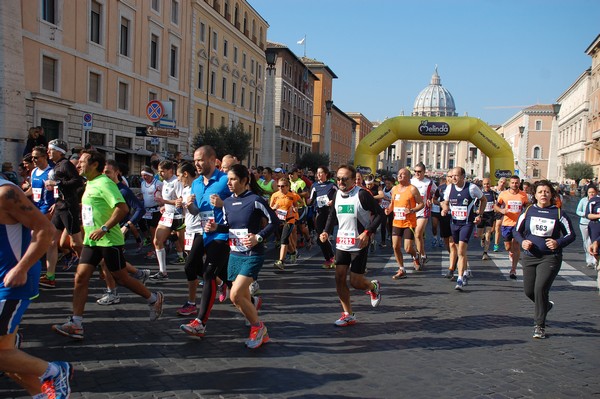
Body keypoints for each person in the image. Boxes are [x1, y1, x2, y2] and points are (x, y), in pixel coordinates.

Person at [52, 150, 164, 340]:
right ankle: (76, 323)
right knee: (80, 278)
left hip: (109, 240)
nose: (77, 165)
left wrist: (104, 228)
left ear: (94, 164)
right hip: (91, 241)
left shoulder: (104, 183)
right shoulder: (89, 183)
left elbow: (123, 208)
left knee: (121, 277)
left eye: (82, 161)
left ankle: (154, 298)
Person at [0, 177, 73, 398]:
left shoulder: (5, 193)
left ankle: (54, 371)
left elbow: (46, 230)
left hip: (12, 281)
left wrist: (21, 268)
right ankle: (41, 394)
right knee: (5, 353)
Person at [203, 164, 278, 348]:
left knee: (235, 295)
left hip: (253, 254)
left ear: (244, 180)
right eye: (228, 179)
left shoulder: (254, 200)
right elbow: (230, 227)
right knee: (239, 298)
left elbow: (274, 221)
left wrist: (259, 237)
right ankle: (259, 330)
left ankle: (258, 327)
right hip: (235, 255)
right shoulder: (227, 202)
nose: (229, 183)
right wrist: (216, 228)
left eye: (233, 179)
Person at [320, 165, 383, 327]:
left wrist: (367, 232)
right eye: (338, 178)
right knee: (339, 278)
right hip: (342, 243)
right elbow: (332, 215)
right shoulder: (337, 194)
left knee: (355, 282)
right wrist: (326, 231)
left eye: (344, 179)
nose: (341, 182)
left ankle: (372, 286)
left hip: (359, 243)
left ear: (353, 179)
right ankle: (348, 314)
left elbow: (379, 215)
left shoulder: (362, 195)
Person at [179, 145, 232, 338]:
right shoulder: (196, 184)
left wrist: (223, 203)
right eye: (195, 160)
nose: (197, 164)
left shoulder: (226, 180)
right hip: (204, 232)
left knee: (209, 273)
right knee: (191, 264)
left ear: (212, 160)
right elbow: (196, 212)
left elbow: (240, 203)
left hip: (222, 234)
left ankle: (200, 322)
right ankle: (250, 300)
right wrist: (190, 206)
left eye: (200, 160)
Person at [514, 180, 575, 339]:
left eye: (547, 192)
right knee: (529, 291)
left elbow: (571, 235)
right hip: (530, 257)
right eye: (540, 192)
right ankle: (545, 306)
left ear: (551, 194)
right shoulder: (528, 211)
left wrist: (558, 242)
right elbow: (516, 231)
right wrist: (523, 242)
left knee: (540, 289)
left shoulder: (558, 212)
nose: (543, 195)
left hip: (550, 258)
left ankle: (539, 326)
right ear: (534, 194)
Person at [41, 139, 85, 288]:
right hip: (60, 205)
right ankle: (50, 276)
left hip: (68, 207)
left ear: (59, 151)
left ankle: (95, 265)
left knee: (77, 243)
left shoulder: (65, 164)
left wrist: (56, 184)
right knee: (51, 241)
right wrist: (55, 196)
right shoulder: (57, 165)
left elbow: (78, 181)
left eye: (50, 149)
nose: (48, 152)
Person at [441, 167, 486, 291]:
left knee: (460, 251)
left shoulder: (471, 188)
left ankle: (459, 278)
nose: (453, 178)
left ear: (462, 177)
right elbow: (445, 201)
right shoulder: (449, 188)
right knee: (459, 250)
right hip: (454, 223)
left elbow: (483, 200)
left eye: (456, 176)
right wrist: (445, 209)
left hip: (467, 223)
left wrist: (479, 215)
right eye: (452, 176)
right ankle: (465, 271)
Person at [174, 161, 204, 317]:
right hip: (190, 230)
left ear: (185, 174)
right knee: (198, 267)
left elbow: (198, 210)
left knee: (189, 266)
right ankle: (223, 284)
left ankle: (191, 303)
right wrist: (179, 204)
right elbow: (186, 210)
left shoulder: (198, 187)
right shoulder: (185, 189)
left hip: (201, 230)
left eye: (179, 175)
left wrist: (190, 206)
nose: (178, 179)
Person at [149, 160, 185, 282]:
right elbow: (169, 199)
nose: (160, 174)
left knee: (187, 247)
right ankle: (162, 271)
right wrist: (165, 206)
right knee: (157, 240)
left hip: (179, 217)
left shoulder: (177, 182)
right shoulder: (165, 182)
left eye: (162, 171)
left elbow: (181, 201)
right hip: (168, 215)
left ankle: (202, 274)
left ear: (170, 170)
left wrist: (165, 202)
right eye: (159, 171)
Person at [385, 168, 424, 279]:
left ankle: (416, 256)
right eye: (399, 174)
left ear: (408, 177)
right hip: (397, 222)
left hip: (409, 223)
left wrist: (411, 210)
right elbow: (392, 203)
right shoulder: (394, 189)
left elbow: (421, 204)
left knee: (407, 248)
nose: (400, 176)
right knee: (395, 246)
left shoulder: (412, 189)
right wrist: (389, 209)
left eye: (403, 174)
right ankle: (401, 269)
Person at [494, 175, 529, 280]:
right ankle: (510, 252)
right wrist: (502, 211)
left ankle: (513, 269)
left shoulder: (523, 195)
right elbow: (495, 206)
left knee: (516, 245)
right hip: (506, 224)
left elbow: (527, 206)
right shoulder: (504, 194)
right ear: (509, 184)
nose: (515, 184)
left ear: (519, 183)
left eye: (516, 183)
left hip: (518, 224)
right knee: (508, 247)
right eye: (513, 183)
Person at [307, 166, 337, 269]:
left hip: (330, 214)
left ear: (326, 174)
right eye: (317, 173)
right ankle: (328, 258)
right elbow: (310, 200)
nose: (318, 175)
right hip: (319, 213)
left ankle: (332, 257)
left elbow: (339, 196)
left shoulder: (332, 185)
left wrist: (333, 201)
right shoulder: (314, 186)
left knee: (325, 235)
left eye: (320, 173)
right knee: (320, 238)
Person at [270, 178, 301, 269]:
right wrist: (274, 207)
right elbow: (270, 207)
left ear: (288, 187)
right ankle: (293, 252)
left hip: (290, 220)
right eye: (278, 186)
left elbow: (298, 204)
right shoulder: (275, 195)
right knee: (283, 239)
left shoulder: (292, 195)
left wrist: (296, 208)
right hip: (279, 220)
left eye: (282, 186)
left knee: (284, 239)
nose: (280, 188)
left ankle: (281, 261)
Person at [410, 162, 437, 266]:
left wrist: (430, 199)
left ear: (424, 172)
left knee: (418, 233)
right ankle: (422, 255)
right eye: (415, 171)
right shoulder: (410, 181)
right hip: (412, 211)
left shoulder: (429, 182)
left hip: (423, 211)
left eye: (419, 171)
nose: (417, 173)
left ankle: (419, 255)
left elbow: (435, 193)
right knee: (416, 236)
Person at [476, 178, 498, 261]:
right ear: (482, 184)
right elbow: (475, 204)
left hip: (490, 216)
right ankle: (482, 237)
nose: (486, 185)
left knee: (488, 234)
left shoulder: (494, 194)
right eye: (485, 184)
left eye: (488, 184)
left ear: (490, 184)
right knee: (479, 234)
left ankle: (485, 253)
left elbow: (498, 204)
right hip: (482, 215)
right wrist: (477, 211)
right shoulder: (479, 194)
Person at [576, 185, 597, 268]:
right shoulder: (583, 200)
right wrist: (585, 214)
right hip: (584, 223)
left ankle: (594, 259)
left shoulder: (598, 201)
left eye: (593, 192)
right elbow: (578, 211)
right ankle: (588, 259)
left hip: (595, 223)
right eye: (589, 192)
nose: (591, 194)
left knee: (593, 240)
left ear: (596, 192)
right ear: (587, 193)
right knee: (586, 241)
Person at [379, 176, 395, 248]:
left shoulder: (393, 190)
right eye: (386, 183)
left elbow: (394, 201)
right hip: (383, 208)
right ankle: (383, 241)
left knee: (391, 225)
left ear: (392, 183)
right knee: (383, 225)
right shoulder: (383, 188)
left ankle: (392, 242)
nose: (387, 185)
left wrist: (387, 199)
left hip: (390, 209)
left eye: (389, 184)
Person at [492, 177, 507, 252]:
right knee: (491, 229)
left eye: (504, 183)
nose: (502, 184)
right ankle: (485, 236)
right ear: (498, 182)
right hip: (491, 211)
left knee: (497, 227)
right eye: (501, 182)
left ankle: (496, 245)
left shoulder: (506, 192)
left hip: (500, 211)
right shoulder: (492, 189)